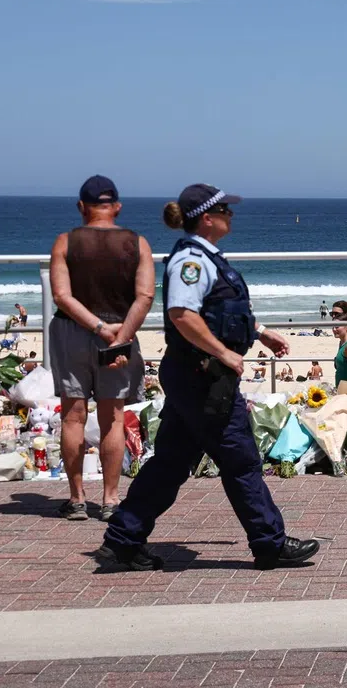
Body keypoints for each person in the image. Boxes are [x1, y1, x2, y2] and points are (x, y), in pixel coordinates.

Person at [98, 184, 318, 572]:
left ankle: (123, 540)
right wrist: (223, 352)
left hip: (196, 377)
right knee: (241, 460)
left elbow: (218, 310)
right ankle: (269, 543)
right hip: (202, 378)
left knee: (170, 463)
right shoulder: (192, 262)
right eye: (226, 211)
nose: (232, 216)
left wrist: (259, 331)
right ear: (207, 218)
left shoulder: (206, 259)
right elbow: (183, 314)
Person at [48, 175, 155, 521]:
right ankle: (110, 500)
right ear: (117, 206)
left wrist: (96, 326)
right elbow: (146, 296)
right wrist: (119, 334)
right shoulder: (138, 243)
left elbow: (61, 296)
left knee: (73, 415)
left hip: (71, 332)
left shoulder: (65, 242)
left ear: (82, 206)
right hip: (121, 335)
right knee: (112, 417)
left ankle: (77, 498)